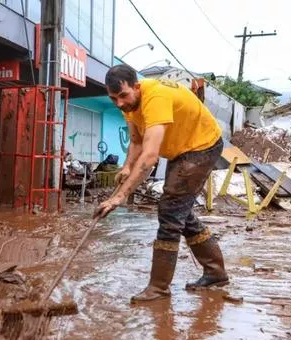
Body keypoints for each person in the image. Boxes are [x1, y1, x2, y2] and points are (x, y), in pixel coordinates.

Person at [94, 64, 229, 303]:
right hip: (181, 150)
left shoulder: (155, 98)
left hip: (202, 146)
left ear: (136, 86)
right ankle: (215, 272)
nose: (119, 103)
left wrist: (118, 197)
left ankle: (158, 287)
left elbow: (149, 157)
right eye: (113, 98)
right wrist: (126, 167)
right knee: (179, 212)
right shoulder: (129, 104)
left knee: (170, 211)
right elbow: (136, 142)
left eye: (123, 96)